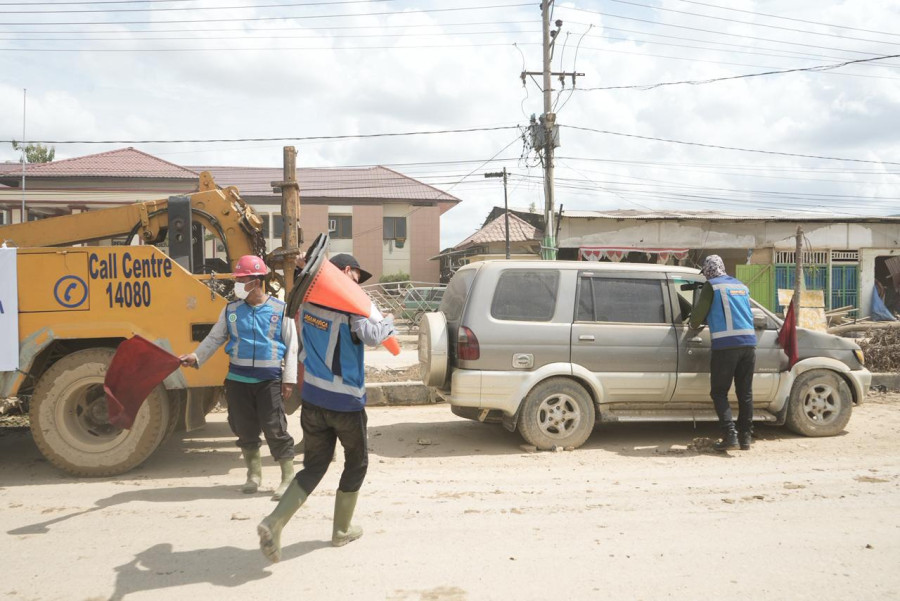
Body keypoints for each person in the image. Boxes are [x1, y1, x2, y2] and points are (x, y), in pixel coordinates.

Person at [257, 253, 395, 563]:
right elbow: (374, 336)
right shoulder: (351, 308)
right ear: (346, 271)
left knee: (315, 466)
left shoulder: (306, 305)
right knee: (356, 463)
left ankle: (274, 522)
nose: (358, 283)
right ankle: (341, 530)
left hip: (314, 401)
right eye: (358, 275)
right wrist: (388, 321)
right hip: (345, 404)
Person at [179, 255, 298, 499]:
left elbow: (292, 345)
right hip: (238, 380)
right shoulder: (231, 310)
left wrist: (289, 379)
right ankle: (253, 475)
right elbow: (214, 338)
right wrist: (196, 356)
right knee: (244, 429)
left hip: (269, 381)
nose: (238, 284)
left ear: (256, 281)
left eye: (242, 280)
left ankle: (288, 478)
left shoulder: (280, 309)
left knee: (275, 428)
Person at [689, 255, 757, 452]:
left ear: (709, 270)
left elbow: (695, 320)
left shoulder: (712, 286)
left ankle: (730, 435)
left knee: (719, 392)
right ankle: (745, 438)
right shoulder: (741, 286)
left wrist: (698, 319)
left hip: (726, 346)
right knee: (745, 393)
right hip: (749, 344)